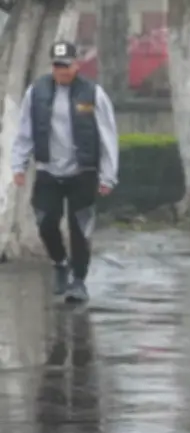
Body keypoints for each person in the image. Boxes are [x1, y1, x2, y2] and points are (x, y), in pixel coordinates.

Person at [10, 40, 119, 303]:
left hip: (83, 172)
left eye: (67, 66)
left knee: (80, 229)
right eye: (58, 66)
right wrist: (19, 164)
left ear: (77, 65)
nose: (63, 71)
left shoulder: (93, 93)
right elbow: (25, 130)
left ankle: (78, 281)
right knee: (45, 222)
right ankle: (60, 262)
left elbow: (108, 135)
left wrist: (108, 175)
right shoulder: (37, 92)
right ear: (52, 67)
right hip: (48, 171)